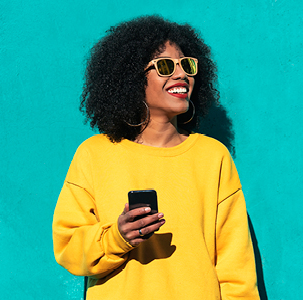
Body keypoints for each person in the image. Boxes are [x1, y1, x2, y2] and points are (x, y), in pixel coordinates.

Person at [52, 15, 260, 300]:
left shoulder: (213, 157)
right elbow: (69, 247)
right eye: (165, 66)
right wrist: (117, 237)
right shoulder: (94, 154)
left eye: (186, 64)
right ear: (132, 79)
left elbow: (236, 267)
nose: (181, 75)